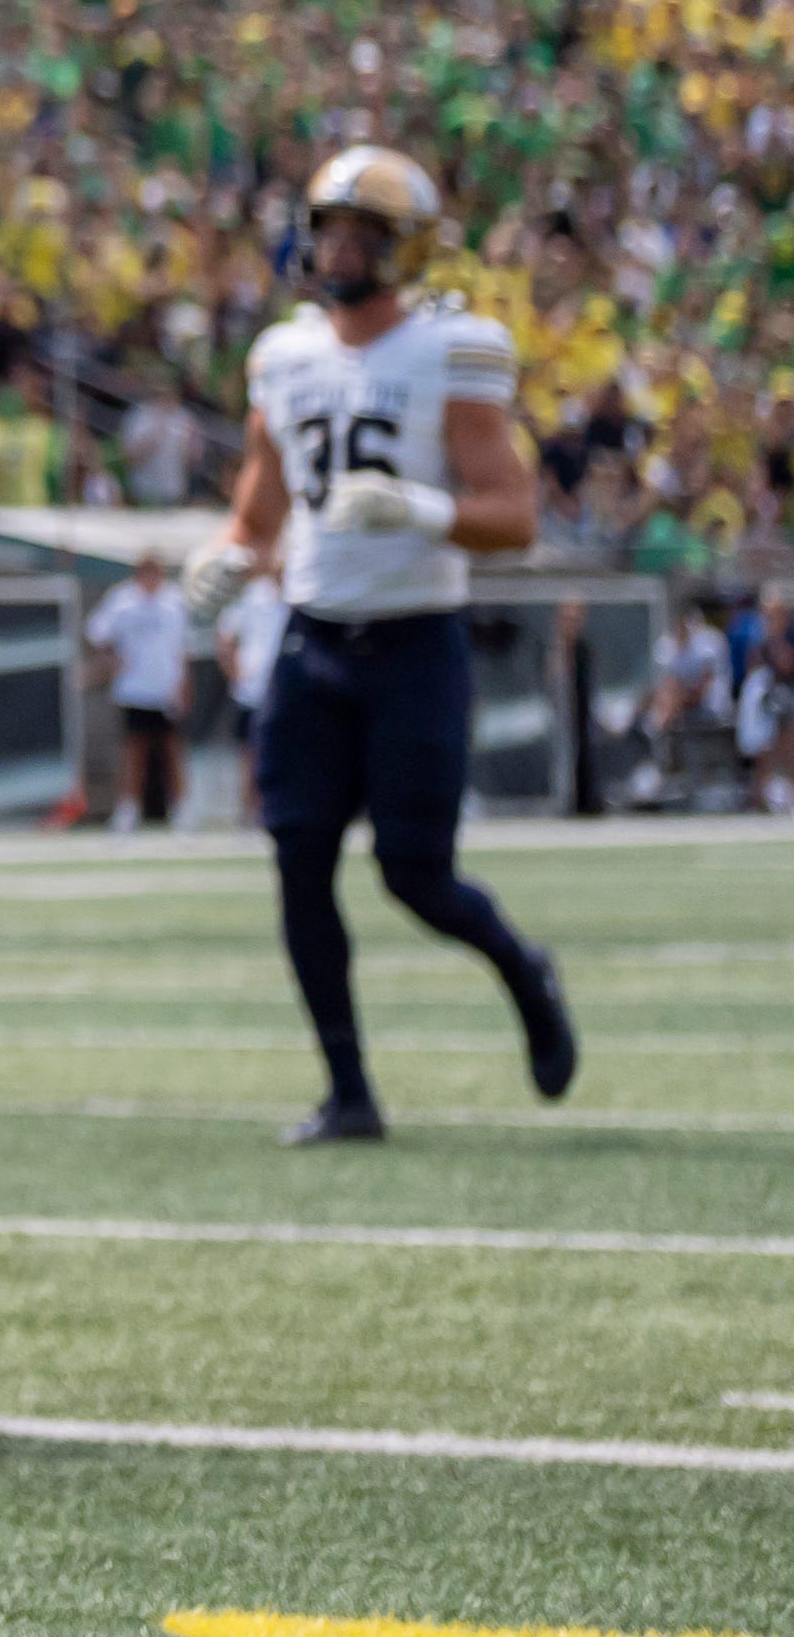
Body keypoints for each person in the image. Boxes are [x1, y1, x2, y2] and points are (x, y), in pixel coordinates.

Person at [186, 146, 574, 1147]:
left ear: (407, 248)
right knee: (297, 859)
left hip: (413, 642)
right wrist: (231, 556)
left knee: (414, 873)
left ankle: (523, 970)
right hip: (312, 641)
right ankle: (347, 1091)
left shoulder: (451, 350)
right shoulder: (282, 354)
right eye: (330, 228)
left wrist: (419, 506)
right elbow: (262, 501)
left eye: (363, 232)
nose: (340, 248)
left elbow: (513, 516)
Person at [84, 549, 196, 830]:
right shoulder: (123, 601)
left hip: (165, 688)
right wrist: (111, 660)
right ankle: (128, 809)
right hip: (134, 690)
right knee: (135, 750)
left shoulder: (174, 602)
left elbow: (182, 648)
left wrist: (183, 685)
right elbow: (95, 632)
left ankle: (181, 809)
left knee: (172, 749)